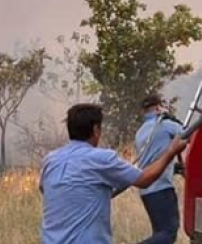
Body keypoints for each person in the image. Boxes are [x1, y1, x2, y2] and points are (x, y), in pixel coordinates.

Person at [40, 103, 187, 244]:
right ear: (96, 130)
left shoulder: (51, 160)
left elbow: (44, 189)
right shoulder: (101, 158)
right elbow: (144, 179)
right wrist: (171, 152)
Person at [134, 93, 184, 244]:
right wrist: (175, 120)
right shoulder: (165, 124)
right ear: (158, 107)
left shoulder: (140, 132)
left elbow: (152, 158)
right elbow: (188, 135)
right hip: (161, 188)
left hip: (146, 191)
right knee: (169, 232)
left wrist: (174, 168)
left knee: (159, 232)